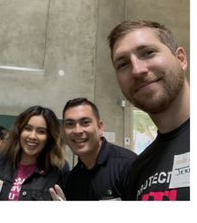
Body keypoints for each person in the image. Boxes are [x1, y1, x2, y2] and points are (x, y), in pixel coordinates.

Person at [109, 19, 190, 201]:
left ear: (181, 59)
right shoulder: (140, 169)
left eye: (148, 53)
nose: (137, 70)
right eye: (123, 64)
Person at [50, 97, 135, 201]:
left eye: (85, 122)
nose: (77, 131)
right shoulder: (71, 179)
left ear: (100, 128)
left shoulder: (128, 165)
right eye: (70, 124)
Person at [0, 105, 69, 200]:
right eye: (28, 129)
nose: (32, 136)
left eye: (41, 131)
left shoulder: (59, 170)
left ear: (49, 137)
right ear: (19, 131)